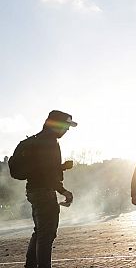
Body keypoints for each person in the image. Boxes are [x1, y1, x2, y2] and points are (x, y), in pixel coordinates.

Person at [24, 110, 77, 268]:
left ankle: (30, 265)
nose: (67, 130)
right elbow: (48, 175)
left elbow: (43, 170)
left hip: (34, 190)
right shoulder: (50, 142)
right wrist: (64, 191)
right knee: (46, 235)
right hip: (44, 192)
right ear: (57, 124)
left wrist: (61, 167)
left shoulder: (39, 140)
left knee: (40, 231)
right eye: (66, 125)